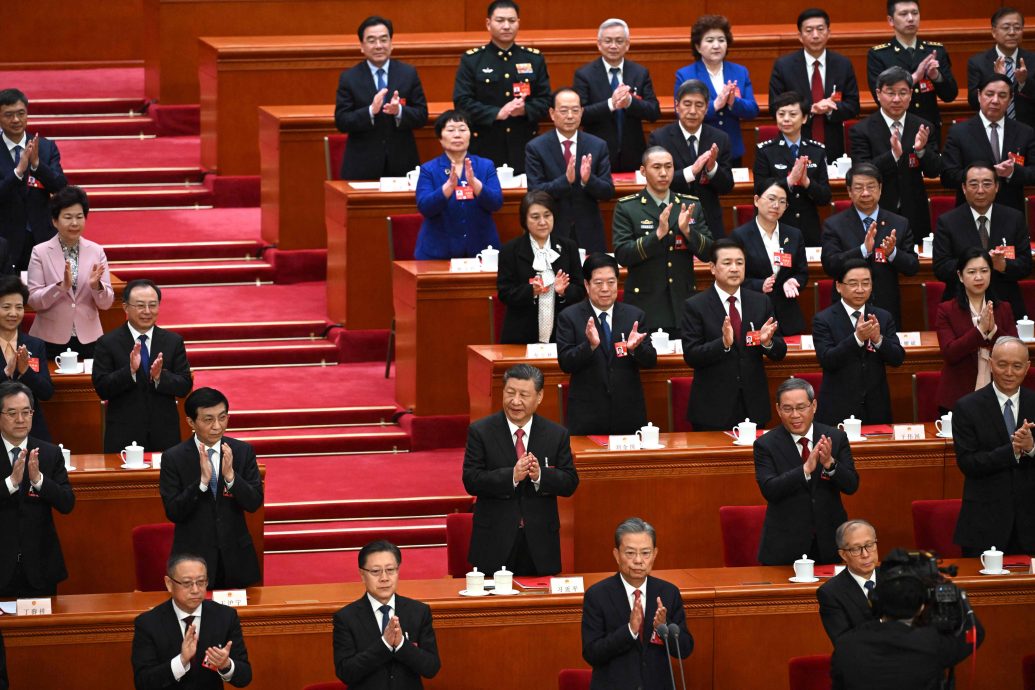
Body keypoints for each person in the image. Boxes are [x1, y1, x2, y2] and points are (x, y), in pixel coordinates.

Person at [461, 364, 579, 576]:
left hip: (540, 544)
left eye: (524, 395)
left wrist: (540, 475)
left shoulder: (556, 434)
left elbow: (570, 482)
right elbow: (471, 480)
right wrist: (512, 476)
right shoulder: (481, 431)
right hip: (493, 541)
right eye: (510, 393)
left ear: (539, 396)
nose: (515, 401)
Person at [830, 548, 984, 690]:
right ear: (921, 606)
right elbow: (975, 632)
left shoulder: (846, 645)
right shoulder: (933, 645)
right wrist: (953, 592)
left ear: (874, 601)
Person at [160, 387, 263, 589]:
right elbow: (173, 511)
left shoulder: (242, 452)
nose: (217, 426)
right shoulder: (174, 458)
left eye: (222, 417)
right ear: (191, 422)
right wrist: (201, 484)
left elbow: (254, 503)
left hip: (236, 558)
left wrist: (231, 477)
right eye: (208, 420)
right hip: (193, 561)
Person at [680, 238, 786, 431]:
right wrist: (722, 343)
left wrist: (767, 342)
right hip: (712, 409)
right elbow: (691, 355)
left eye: (740, 262)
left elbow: (780, 351)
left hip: (753, 406)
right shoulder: (695, 306)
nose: (735, 268)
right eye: (727, 263)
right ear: (712, 267)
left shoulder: (760, 302)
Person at [755, 377, 859, 565]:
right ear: (778, 410)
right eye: (787, 409)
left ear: (814, 406)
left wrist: (830, 464)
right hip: (785, 546)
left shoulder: (835, 437)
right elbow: (770, 489)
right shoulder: (765, 444)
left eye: (801, 407)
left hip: (830, 542)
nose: (795, 415)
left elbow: (851, 485)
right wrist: (804, 470)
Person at [581, 517, 693, 689]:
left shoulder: (668, 593)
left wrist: (664, 626)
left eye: (645, 553)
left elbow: (684, 649)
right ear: (617, 555)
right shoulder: (597, 595)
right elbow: (592, 653)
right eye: (630, 553)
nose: (639, 560)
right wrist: (629, 630)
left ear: (655, 554)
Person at [612, 147, 713, 336]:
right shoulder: (627, 208)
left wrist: (687, 231)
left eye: (668, 167)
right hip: (645, 305)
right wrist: (657, 234)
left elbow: (709, 253)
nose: (664, 173)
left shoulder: (691, 204)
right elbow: (623, 255)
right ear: (643, 171)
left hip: (683, 304)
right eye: (656, 167)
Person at [556, 253, 658, 435]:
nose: (605, 288)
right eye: (598, 283)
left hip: (628, 413)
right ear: (587, 285)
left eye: (611, 282)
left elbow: (651, 361)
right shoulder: (569, 317)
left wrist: (636, 349)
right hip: (586, 415)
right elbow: (565, 363)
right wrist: (589, 346)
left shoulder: (634, 316)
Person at [952, 336, 1035, 556]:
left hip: (1030, 523)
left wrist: (1032, 448)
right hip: (984, 524)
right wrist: (1013, 450)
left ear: (1027, 368)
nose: (1009, 372)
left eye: (1017, 366)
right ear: (991, 364)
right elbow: (968, 463)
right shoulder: (967, 407)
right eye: (1002, 364)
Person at [92, 278, 193, 453]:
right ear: (125, 307)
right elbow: (102, 388)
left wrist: (160, 377)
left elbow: (184, 385)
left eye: (153, 305)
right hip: (123, 434)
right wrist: (129, 371)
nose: (147, 311)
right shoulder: (107, 342)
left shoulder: (173, 341)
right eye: (140, 305)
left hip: (165, 434)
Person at [452, 0, 550, 173]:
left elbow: (546, 100)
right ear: (488, 24)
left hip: (524, 145)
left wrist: (525, 109)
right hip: (485, 144)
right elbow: (462, 102)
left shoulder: (534, 59)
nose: (506, 26)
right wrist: (496, 113)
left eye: (512, 21)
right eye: (500, 20)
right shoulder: (472, 60)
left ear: (518, 22)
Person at [131, 553, 252, 689]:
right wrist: (181, 661)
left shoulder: (225, 616)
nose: (195, 590)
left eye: (201, 582)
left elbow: (245, 677)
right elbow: (143, 682)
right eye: (187, 583)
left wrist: (226, 665)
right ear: (169, 584)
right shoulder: (148, 623)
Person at [333, 540, 441, 689]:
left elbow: (431, 668)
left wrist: (402, 645)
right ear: (362, 575)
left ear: (398, 571)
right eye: (376, 571)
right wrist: (384, 644)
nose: (384, 578)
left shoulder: (418, 611)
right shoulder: (346, 618)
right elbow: (346, 672)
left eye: (390, 570)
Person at [850, 66, 942, 240]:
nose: (897, 99)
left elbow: (934, 171)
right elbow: (861, 171)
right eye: (890, 93)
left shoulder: (923, 127)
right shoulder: (861, 130)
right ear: (878, 94)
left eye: (903, 92)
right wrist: (893, 156)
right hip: (877, 209)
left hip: (915, 211)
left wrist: (921, 151)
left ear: (911, 94)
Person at [0, 380, 74, 598]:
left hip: (41, 569)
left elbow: (67, 503)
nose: (20, 419)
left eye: (26, 412)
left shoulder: (49, 454)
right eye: (12, 413)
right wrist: (10, 483)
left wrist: (40, 480)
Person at [820, 162, 918, 326]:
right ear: (849, 192)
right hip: (847, 310)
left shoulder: (899, 223)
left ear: (880, 189)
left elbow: (912, 267)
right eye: (858, 188)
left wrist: (892, 253)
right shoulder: (834, 225)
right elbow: (830, 265)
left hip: (886, 308)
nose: (865, 193)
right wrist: (863, 250)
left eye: (871, 187)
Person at [334, 16, 429, 180]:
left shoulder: (408, 74)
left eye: (383, 40)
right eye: (371, 40)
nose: (378, 46)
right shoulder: (349, 78)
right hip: (362, 166)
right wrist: (371, 111)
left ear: (391, 44)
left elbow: (421, 115)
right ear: (362, 46)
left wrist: (399, 111)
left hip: (402, 164)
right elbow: (342, 121)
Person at [812, 259, 905, 426]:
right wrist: (857, 338)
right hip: (838, 407)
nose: (860, 290)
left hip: (876, 407)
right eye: (853, 284)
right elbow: (827, 359)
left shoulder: (883, 317)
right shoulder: (823, 319)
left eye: (866, 283)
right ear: (839, 286)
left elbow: (898, 358)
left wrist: (878, 339)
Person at [932, 162, 1031, 319]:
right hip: (961, 305)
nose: (980, 190)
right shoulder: (948, 222)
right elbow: (940, 267)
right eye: (973, 184)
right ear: (964, 188)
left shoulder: (1014, 218)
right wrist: (974, 267)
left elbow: (1026, 265)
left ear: (997, 187)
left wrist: (1003, 265)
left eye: (987, 184)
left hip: (1005, 303)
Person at [26, 186, 113, 359]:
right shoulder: (40, 252)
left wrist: (97, 286)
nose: (74, 223)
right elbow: (33, 301)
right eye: (68, 217)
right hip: (49, 338)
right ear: (55, 221)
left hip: (89, 338)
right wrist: (60, 287)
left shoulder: (96, 251)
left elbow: (107, 303)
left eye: (79, 217)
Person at [524, 88, 614, 252]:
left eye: (575, 110)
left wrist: (588, 180)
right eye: (564, 111)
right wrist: (566, 181)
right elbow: (534, 192)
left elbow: (608, 191)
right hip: (552, 231)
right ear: (552, 113)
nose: (570, 116)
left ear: (581, 112)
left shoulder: (597, 145)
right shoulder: (536, 147)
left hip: (589, 232)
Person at [768, 8, 861, 162]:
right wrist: (810, 110)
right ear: (800, 36)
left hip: (833, 145)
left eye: (820, 29)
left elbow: (853, 106)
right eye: (809, 30)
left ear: (828, 33)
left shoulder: (843, 64)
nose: (815, 35)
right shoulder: (784, 66)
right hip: (795, 144)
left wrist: (831, 110)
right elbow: (774, 107)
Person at [935, 248, 1019, 415]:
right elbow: (951, 353)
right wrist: (980, 331)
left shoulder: (1003, 308)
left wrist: (993, 330)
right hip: (958, 396)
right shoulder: (946, 310)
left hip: (999, 394)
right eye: (972, 272)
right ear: (960, 276)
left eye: (984, 271)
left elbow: (1015, 352)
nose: (979, 277)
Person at [648, 79, 734, 238]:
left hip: (709, 222)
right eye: (687, 104)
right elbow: (654, 181)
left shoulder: (720, 138)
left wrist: (712, 168)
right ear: (677, 105)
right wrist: (691, 172)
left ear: (707, 108)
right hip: (670, 219)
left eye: (699, 105)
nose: (693, 111)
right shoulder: (659, 138)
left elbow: (727, 186)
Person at [573, 18, 661, 173]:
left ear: (627, 44)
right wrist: (610, 104)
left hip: (633, 152)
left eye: (619, 41)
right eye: (608, 41)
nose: (613, 46)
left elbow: (654, 112)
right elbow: (580, 115)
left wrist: (629, 102)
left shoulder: (640, 73)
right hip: (596, 152)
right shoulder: (584, 74)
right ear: (599, 44)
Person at [497, 191, 585, 344]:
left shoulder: (568, 247)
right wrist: (530, 291)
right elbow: (504, 293)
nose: (543, 222)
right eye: (535, 217)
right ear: (524, 220)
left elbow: (580, 290)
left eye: (547, 215)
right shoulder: (510, 250)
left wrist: (565, 291)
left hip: (562, 335)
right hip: (521, 334)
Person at [413, 110, 503, 260]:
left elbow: (496, 203)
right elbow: (425, 208)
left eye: (462, 129)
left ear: (470, 135)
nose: (457, 134)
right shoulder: (429, 169)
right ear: (440, 138)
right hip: (438, 252)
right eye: (450, 130)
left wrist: (474, 184)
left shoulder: (485, 166)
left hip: (482, 251)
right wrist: (448, 187)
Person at [866, 1, 957, 145]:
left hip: (928, 128)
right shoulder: (879, 55)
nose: (910, 18)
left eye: (915, 13)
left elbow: (950, 95)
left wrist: (936, 77)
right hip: (894, 129)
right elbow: (878, 97)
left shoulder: (935, 51)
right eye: (903, 14)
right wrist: (914, 77)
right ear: (890, 20)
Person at [942, 74, 1035, 214]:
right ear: (979, 95)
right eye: (989, 94)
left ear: (1010, 99)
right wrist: (982, 176)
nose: (995, 100)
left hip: (1011, 214)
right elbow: (948, 176)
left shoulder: (1024, 132)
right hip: (969, 213)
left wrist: (1013, 172)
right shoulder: (958, 132)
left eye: (1002, 95)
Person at [673, 15, 759, 166]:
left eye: (721, 40)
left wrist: (734, 102)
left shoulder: (740, 71)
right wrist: (715, 105)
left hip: (731, 149)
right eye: (710, 40)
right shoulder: (685, 75)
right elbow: (680, 112)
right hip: (698, 149)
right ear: (698, 47)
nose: (716, 45)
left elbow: (752, 110)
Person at [730, 178, 809, 336]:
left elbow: (802, 273)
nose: (776, 206)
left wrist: (794, 281)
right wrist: (760, 285)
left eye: (782, 202)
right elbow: (732, 278)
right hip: (754, 314)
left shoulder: (794, 235)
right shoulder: (740, 236)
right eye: (771, 199)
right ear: (757, 200)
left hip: (788, 317)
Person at [0, 88, 66, 273]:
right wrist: (18, 172)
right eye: (8, 115)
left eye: (21, 113)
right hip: (5, 239)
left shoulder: (45, 147)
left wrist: (37, 165)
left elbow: (60, 187)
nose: (16, 120)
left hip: (41, 236)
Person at [753, 91, 831, 246]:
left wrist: (807, 182)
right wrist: (789, 181)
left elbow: (825, 197)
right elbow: (759, 191)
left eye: (792, 114)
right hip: (776, 225)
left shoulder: (817, 151)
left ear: (804, 118)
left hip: (808, 229)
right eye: (781, 114)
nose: (786, 119)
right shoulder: (765, 151)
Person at [0, 275, 52, 441]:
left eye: (19, 307)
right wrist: (6, 373)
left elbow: (47, 392)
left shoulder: (35, 345)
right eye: (6, 307)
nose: (13, 313)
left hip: (31, 432)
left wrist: (26, 372)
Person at [967, 8, 1035, 129]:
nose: (1012, 32)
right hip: (992, 128)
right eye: (1006, 27)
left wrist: (1023, 83)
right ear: (994, 32)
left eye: (1017, 28)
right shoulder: (978, 62)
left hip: (1028, 130)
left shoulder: (1032, 60)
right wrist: (996, 79)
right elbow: (973, 102)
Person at [817, 519, 880, 642]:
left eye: (869, 545)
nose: (866, 554)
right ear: (843, 555)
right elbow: (844, 642)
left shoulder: (894, 577)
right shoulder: (831, 593)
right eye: (856, 549)